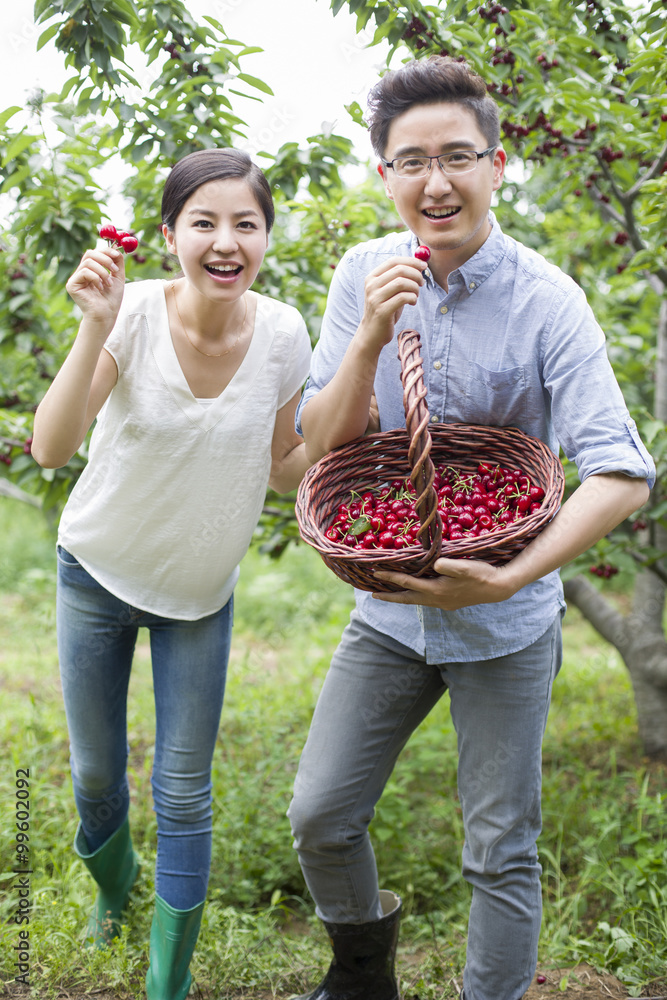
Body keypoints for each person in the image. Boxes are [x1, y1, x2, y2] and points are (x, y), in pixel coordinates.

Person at [287, 56, 655, 1000]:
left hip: (504, 623)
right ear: (383, 176)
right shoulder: (360, 271)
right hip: (391, 611)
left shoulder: (547, 301)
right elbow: (319, 446)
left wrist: (503, 576)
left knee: (498, 847)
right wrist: (369, 337)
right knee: (321, 814)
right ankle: (363, 977)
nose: (435, 182)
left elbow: (619, 473)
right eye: (411, 161)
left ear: (496, 165)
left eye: (457, 157)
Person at [31, 148, 312, 1000]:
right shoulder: (134, 314)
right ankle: (114, 892)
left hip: (198, 598)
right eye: (204, 222)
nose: (226, 241)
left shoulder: (285, 334)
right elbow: (50, 448)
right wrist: (93, 322)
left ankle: (168, 983)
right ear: (167, 235)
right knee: (94, 774)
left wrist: (349, 421)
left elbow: (284, 467)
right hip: (95, 574)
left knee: (186, 791)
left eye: (246, 223)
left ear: (266, 236)